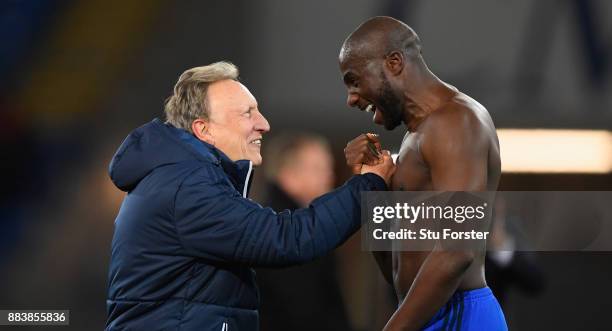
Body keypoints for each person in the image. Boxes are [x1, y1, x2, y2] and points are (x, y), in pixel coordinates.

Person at [105, 61, 395, 331]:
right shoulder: (187, 187)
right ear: (203, 129)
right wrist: (369, 183)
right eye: (247, 113)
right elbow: (286, 239)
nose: (264, 123)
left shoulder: (176, 178)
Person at [339, 17, 507, 330]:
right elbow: (395, 271)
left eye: (354, 80)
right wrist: (373, 188)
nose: (351, 98)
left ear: (394, 63)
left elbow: (457, 252)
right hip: (430, 313)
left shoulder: (456, 122)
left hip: (459, 315)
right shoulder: (417, 135)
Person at [256, 133, 354, 331]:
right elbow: (304, 307)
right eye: (319, 169)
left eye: (329, 169)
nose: (330, 177)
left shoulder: (289, 224)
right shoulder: (289, 231)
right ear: (288, 175)